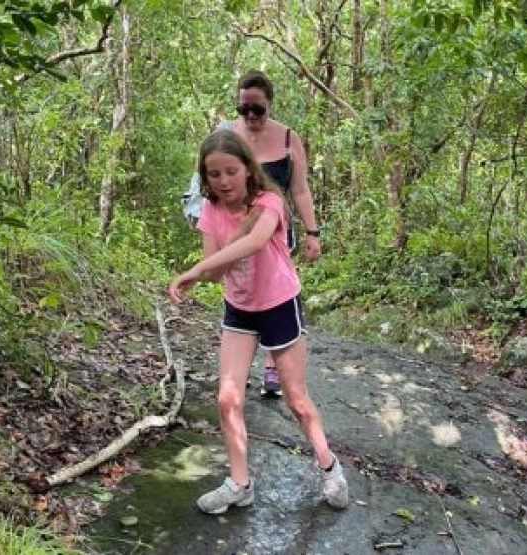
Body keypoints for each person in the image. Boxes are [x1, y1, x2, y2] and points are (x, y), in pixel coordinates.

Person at [168, 129, 348, 514]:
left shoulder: (270, 200)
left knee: (297, 400)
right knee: (227, 397)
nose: (223, 181)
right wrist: (218, 253)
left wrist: (196, 269)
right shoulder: (211, 212)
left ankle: (329, 467)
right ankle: (239, 483)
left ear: (247, 169)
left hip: (279, 304)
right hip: (239, 308)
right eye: (213, 175)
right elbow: (218, 274)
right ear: (205, 179)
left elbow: (255, 242)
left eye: (230, 171)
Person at [231, 69, 321, 399]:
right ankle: (238, 367)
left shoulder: (288, 138)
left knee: (276, 296)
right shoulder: (229, 136)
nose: (251, 116)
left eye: (258, 109)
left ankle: (272, 367)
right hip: (238, 232)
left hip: (277, 234)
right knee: (241, 297)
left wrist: (313, 232)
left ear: (270, 105)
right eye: (244, 109)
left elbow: (299, 190)